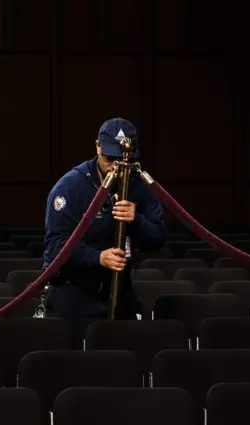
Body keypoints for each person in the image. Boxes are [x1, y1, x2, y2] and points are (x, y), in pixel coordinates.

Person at [40, 117, 167, 344]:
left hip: (119, 291)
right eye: (110, 158)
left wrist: (136, 221)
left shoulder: (140, 185)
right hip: (75, 291)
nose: (116, 166)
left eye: (122, 159)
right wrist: (98, 257)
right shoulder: (70, 187)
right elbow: (55, 246)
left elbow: (158, 238)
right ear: (97, 146)